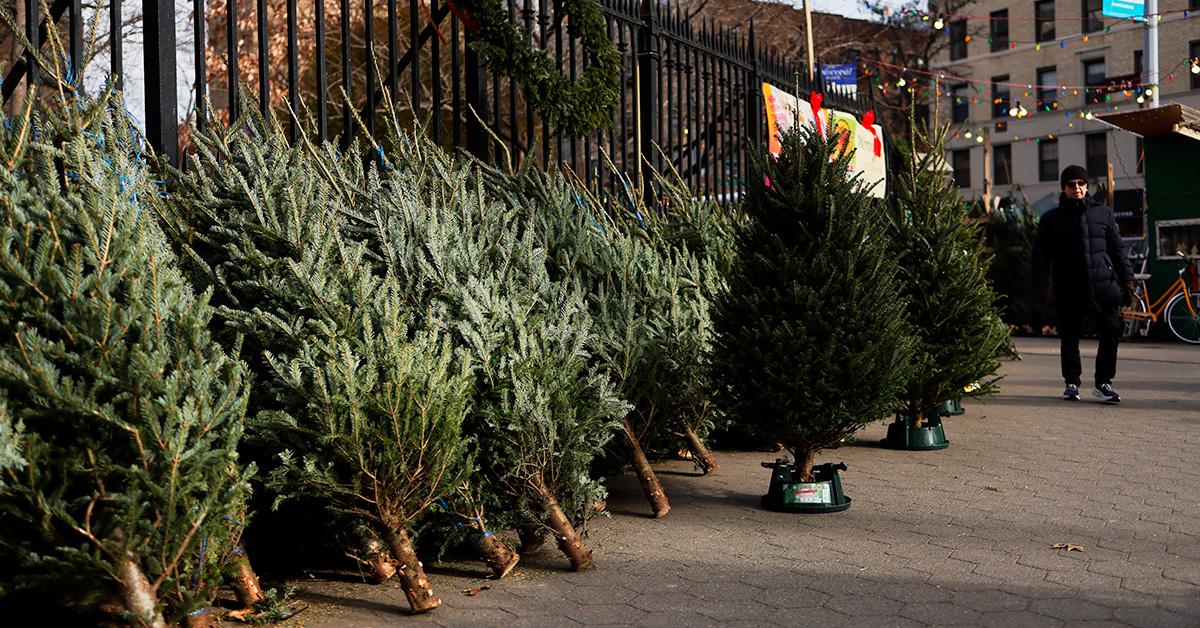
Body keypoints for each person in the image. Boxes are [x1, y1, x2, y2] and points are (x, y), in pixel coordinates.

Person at [1032, 164, 1134, 403]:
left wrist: (1127, 279)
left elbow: (1117, 249)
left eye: (1080, 183)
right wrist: (1040, 285)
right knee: (1069, 337)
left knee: (1110, 334)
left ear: (1086, 186)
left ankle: (1104, 383)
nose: (1076, 188)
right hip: (1070, 287)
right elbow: (1040, 254)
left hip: (1104, 286)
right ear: (1064, 189)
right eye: (1071, 184)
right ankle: (1071, 383)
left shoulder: (1103, 213)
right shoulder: (1051, 219)